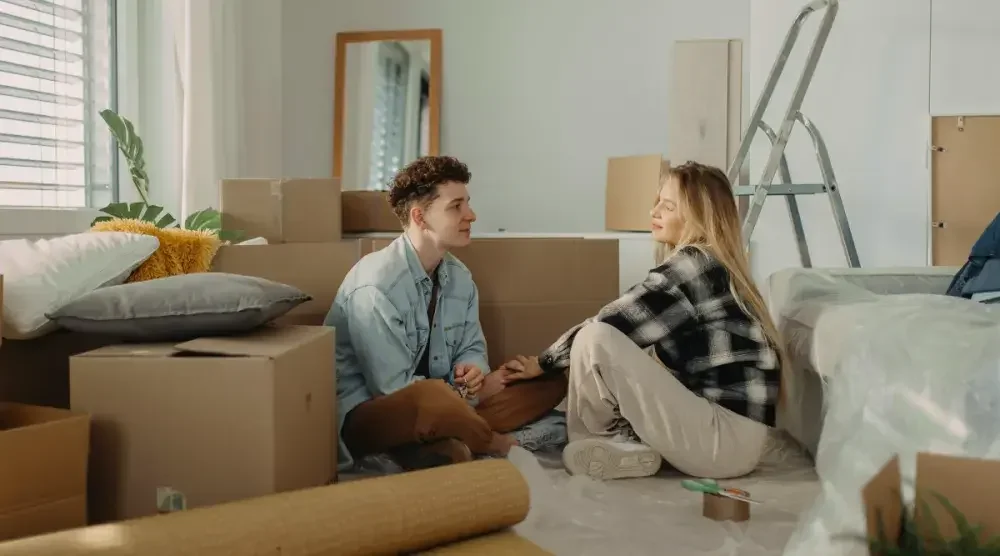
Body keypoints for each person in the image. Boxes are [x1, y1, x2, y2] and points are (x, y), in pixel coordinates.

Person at [500, 161, 788, 481]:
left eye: (668, 206)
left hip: (723, 441)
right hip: (730, 440)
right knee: (625, 348)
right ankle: (624, 443)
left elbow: (615, 321)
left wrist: (543, 363)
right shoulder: (715, 264)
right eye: (656, 202)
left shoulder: (694, 263)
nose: (654, 212)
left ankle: (603, 440)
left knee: (596, 338)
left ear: (698, 215)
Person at [327, 155, 568, 473]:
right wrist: (464, 394)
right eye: (456, 206)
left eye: (467, 203)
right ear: (420, 217)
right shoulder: (375, 286)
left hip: (446, 400)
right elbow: (394, 389)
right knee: (431, 397)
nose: (471, 215)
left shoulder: (459, 277)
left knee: (549, 381)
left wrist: (474, 371)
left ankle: (446, 446)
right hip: (376, 413)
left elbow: (472, 347)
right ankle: (491, 442)